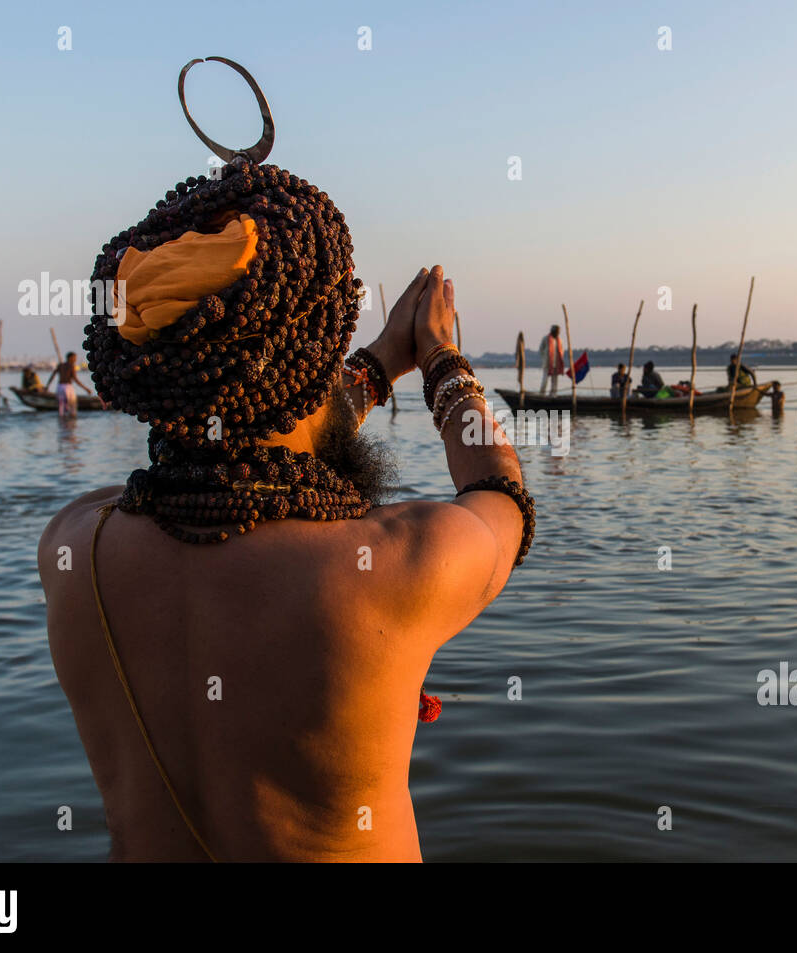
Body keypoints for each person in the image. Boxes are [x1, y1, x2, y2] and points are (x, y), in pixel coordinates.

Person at [39, 166, 532, 863]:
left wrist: (374, 366)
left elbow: (249, 441)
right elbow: (500, 494)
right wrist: (443, 363)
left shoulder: (72, 551)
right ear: (310, 356)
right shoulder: (400, 567)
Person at [45, 351, 93, 417]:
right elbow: (76, 380)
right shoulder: (71, 366)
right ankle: (71, 423)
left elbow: (52, 376)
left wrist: (47, 386)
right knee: (72, 407)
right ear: (70, 358)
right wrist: (86, 389)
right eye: (74, 358)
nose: (75, 359)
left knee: (61, 407)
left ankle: (62, 421)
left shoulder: (60, 365)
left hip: (59, 387)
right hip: (68, 388)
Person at [538, 325, 564, 395]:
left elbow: (562, 350)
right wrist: (545, 358)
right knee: (545, 380)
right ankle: (542, 394)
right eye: (557, 332)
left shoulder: (559, 340)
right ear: (553, 331)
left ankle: (553, 394)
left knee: (555, 381)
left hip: (556, 364)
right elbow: (541, 350)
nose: (557, 334)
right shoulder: (546, 339)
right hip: (547, 364)